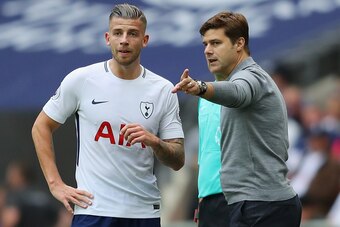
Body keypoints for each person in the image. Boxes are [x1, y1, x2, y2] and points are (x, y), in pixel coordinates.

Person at [31, 3, 185, 227]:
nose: (124, 40)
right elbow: (41, 127)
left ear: (145, 40)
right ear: (107, 38)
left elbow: (178, 159)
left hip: (143, 213)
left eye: (132, 33)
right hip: (94, 210)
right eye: (118, 33)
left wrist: (154, 141)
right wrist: (55, 184)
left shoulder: (163, 89)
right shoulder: (81, 80)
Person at [172, 11, 302, 226]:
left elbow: (239, 92)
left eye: (216, 43)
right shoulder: (230, 85)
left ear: (239, 43)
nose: (208, 50)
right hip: (250, 203)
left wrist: (200, 87)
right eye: (205, 44)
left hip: (262, 205)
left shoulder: (252, 76)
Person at [194, 88, 229, 227]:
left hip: (237, 195)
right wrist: (201, 195)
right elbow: (204, 146)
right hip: (208, 199)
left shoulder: (246, 86)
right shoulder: (203, 97)